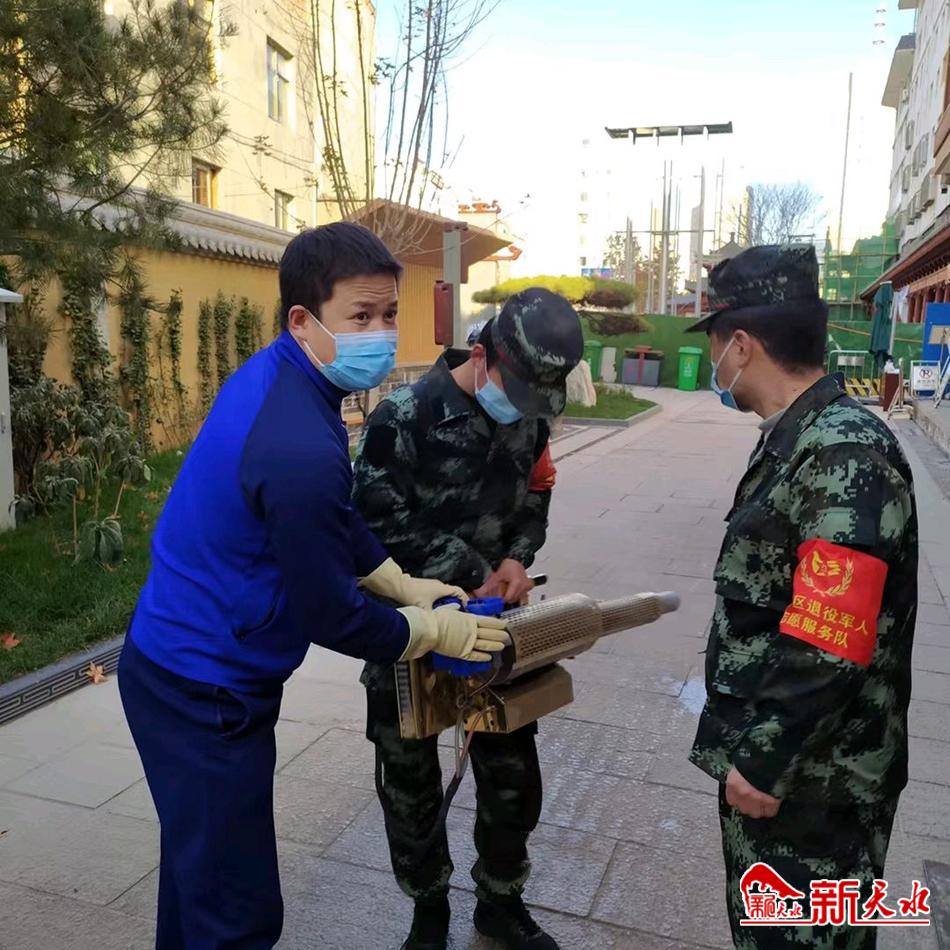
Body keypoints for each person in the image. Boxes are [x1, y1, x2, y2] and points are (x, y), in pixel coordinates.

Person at [118, 222, 510, 950]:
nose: (380, 334)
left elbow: (333, 516)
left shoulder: (290, 380)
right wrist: (429, 630)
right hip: (203, 691)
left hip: (181, 666)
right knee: (235, 915)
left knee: (199, 880)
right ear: (303, 319)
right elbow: (330, 612)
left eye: (387, 314)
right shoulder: (297, 439)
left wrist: (397, 579)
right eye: (359, 316)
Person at [686, 245, 918, 949]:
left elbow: (830, 635)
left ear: (742, 344)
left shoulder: (843, 450)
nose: (715, 361)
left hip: (814, 784)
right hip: (791, 772)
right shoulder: (799, 437)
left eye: (716, 343)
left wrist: (763, 759)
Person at [352, 288, 583, 950]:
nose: (526, 409)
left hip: (494, 624)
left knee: (513, 773)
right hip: (409, 628)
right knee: (410, 781)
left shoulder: (530, 415)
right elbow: (371, 522)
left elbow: (537, 491)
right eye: (519, 390)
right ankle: (428, 909)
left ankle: (500, 901)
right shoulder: (404, 417)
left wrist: (516, 558)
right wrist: (469, 568)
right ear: (481, 356)